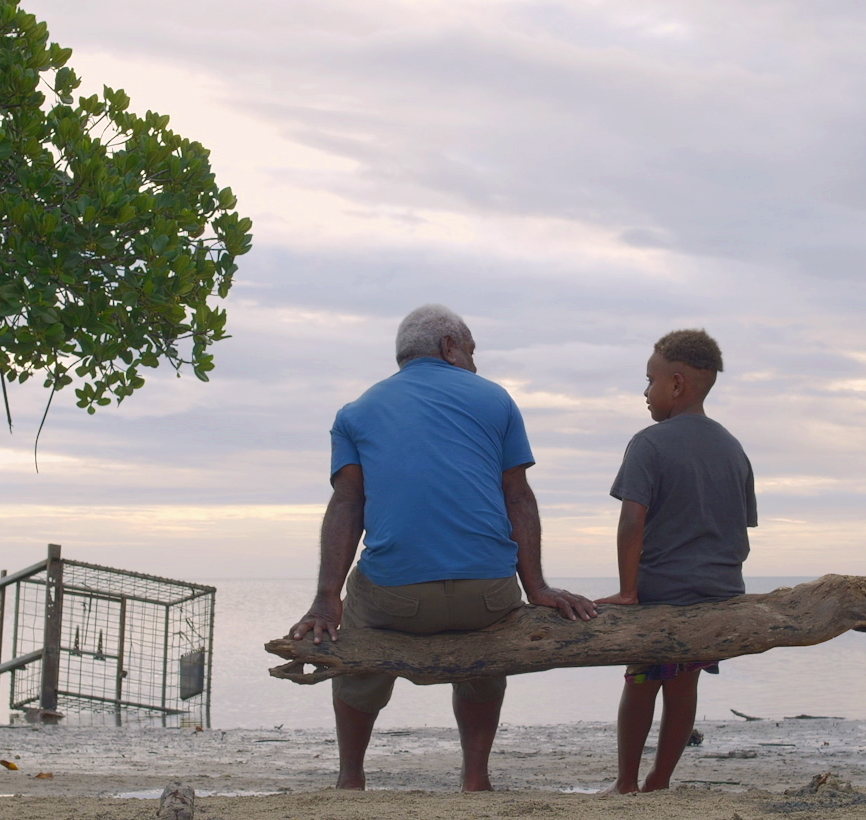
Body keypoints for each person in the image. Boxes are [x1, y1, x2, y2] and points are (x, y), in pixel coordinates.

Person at [288, 304, 599, 792]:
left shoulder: (356, 411)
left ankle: (350, 777)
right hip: (486, 597)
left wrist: (328, 598)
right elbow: (517, 496)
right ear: (449, 347)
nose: (475, 362)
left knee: (360, 623)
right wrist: (535, 586)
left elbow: (347, 504)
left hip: (397, 601)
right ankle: (475, 777)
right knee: (486, 649)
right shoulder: (497, 400)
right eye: (471, 350)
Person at [595, 329, 757, 793]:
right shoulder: (732, 447)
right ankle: (659, 781)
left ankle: (626, 782)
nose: (645, 392)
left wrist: (629, 592)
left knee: (641, 681)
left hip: (662, 594)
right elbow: (738, 527)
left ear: (678, 384)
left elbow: (632, 521)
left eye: (649, 381)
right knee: (684, 686)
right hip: (720, 595)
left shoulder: (650, 442)